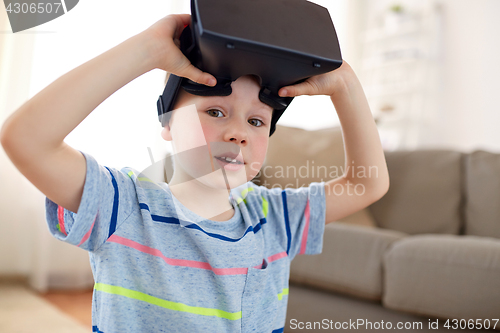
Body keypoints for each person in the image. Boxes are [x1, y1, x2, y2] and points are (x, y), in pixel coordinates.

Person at [0, 14, 389, 333]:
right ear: (167, 122)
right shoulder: (122, 207)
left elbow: (368, 183)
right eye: (215, 112)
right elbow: (27, 138)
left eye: (256, 121)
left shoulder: (274, 219)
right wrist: (146, 51)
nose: (238, 132)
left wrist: (345, 85)